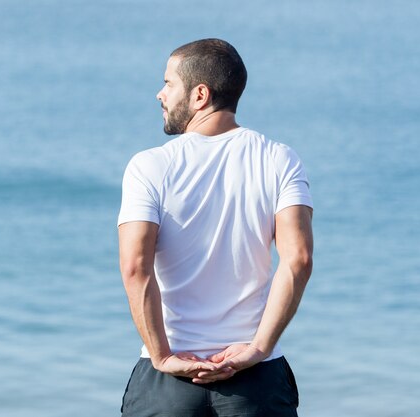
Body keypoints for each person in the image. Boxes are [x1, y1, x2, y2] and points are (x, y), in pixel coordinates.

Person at [117, 38, 314, 416]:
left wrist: (161, 357)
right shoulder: (279, 159)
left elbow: (134, 268)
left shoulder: (149, 166)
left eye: (169, 83)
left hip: (169, 381)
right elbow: (298, 260)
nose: (160, 94)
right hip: (255, 380)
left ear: (199, 95)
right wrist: (259, 347)